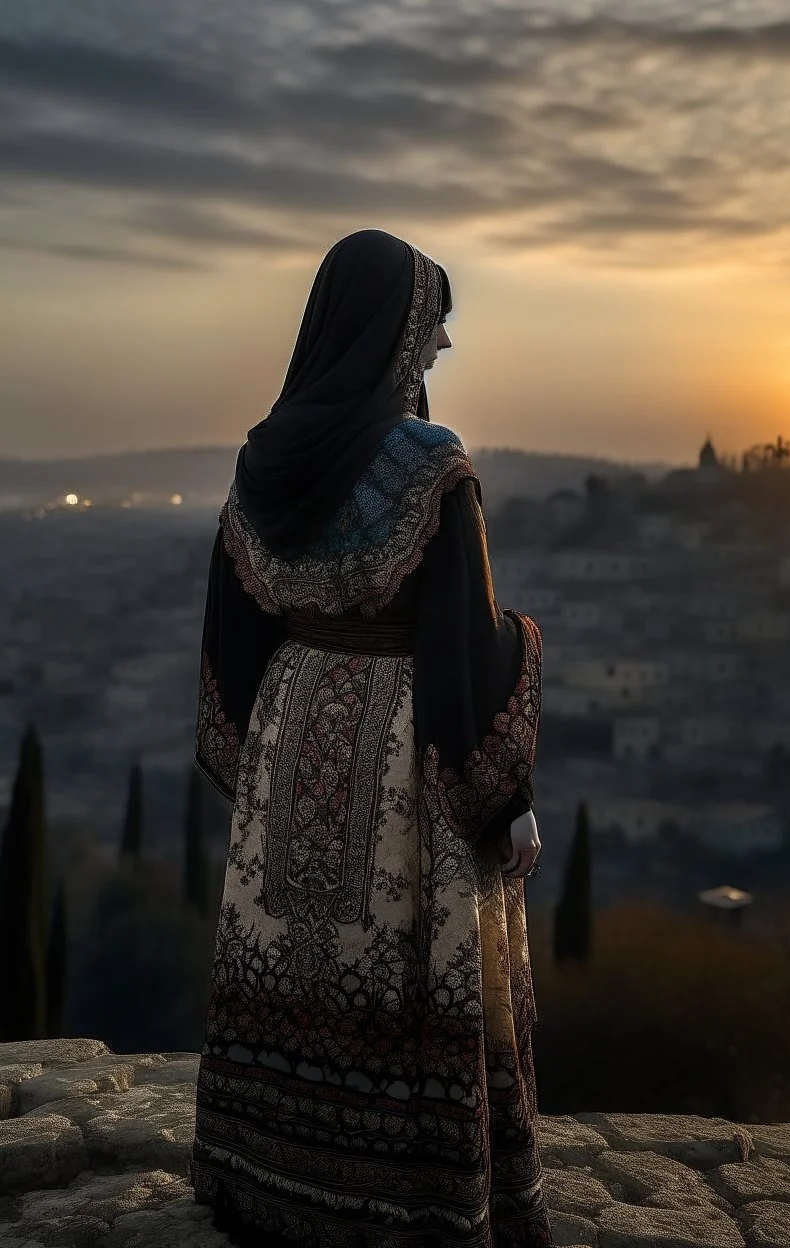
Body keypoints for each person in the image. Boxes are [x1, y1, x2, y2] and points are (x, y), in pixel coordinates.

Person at [189, 228, 552, 1247]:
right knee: (396, 962)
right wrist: (502, 785)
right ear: (389, 333)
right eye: (430, 328)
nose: (436, 352)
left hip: (289, 727)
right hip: (398, 738)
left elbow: (234, 626)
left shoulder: (266, 454)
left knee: (293, 956)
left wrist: (263, 748)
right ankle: (404, 1193)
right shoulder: (431, 465)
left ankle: (273, 1166)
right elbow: (458, 641)